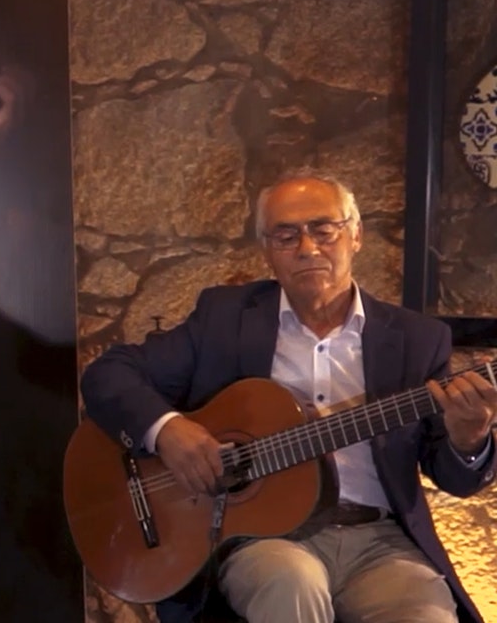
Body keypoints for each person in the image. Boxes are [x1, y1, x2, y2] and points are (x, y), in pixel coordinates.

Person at [81, 173, 497, 623]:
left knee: (426, 617)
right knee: (291, 584)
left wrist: (469, 441)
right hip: (266, 540)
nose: (307, 247)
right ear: (267, 250)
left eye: (323, 229)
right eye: (286, 234)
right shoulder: (224, 318)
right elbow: (109, 374)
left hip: (379, 542)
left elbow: (456, 477)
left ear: (355, 235)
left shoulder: (418, 340)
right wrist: (167, 432)